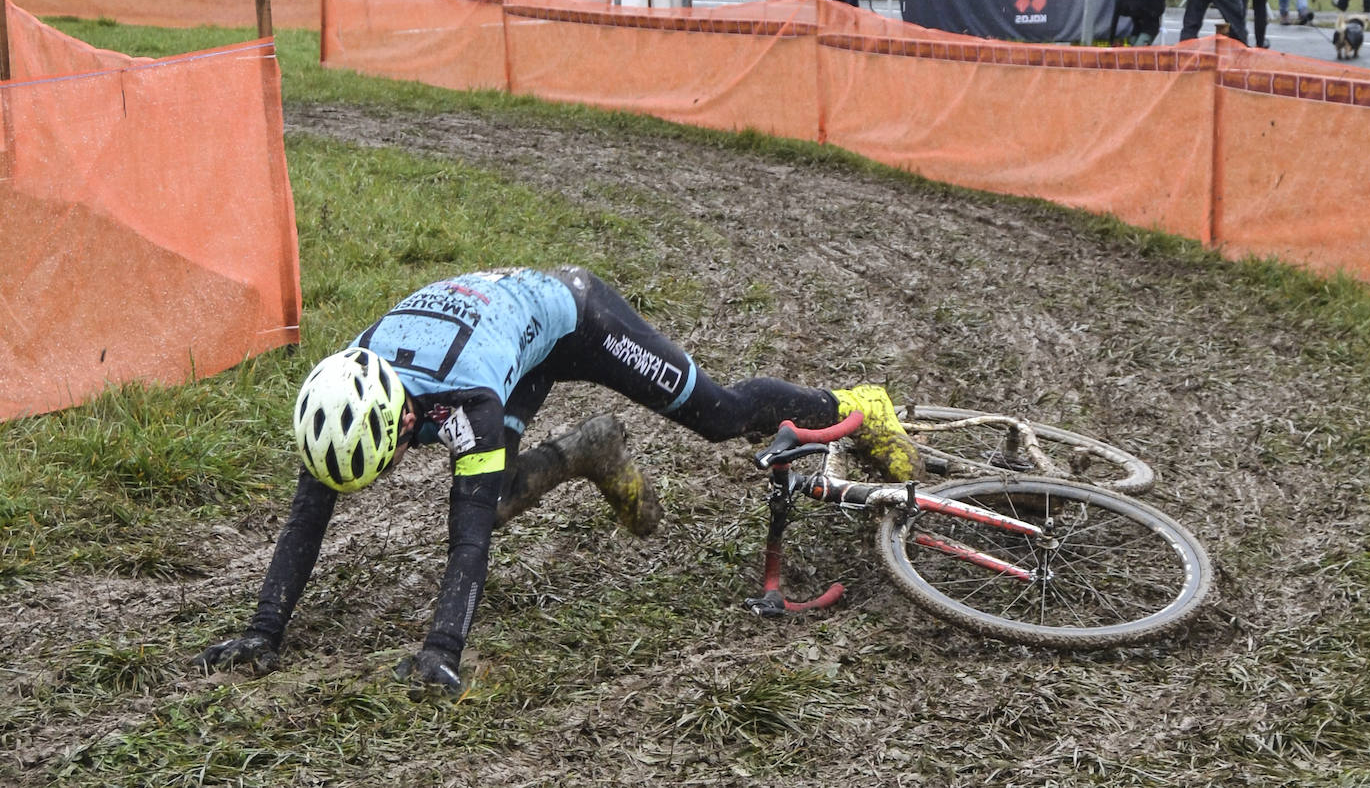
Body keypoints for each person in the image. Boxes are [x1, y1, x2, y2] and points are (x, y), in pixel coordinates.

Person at [194, 267, 915, 691]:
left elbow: (465, 543)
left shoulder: (466, 404)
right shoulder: (344, 383)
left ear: (402, 426)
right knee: (501, 493)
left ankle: (856, 403)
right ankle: (591, 451)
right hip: (502, 332)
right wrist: (263, 633)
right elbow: (305, 516)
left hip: (576, 318)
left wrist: (441, 653)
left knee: (722, 415)